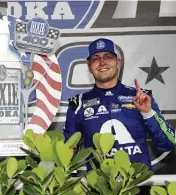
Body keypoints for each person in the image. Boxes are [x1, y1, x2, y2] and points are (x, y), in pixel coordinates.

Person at [63, 38, 175, 170]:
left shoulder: (141, 97)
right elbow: (67, 152)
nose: (102, 62)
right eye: (95, 58)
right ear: (89, 67)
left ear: (118, 63)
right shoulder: (78, 103)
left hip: (137, 184)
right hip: (99, 186)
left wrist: (148, 113)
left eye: (108, 57)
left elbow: (168, 143)